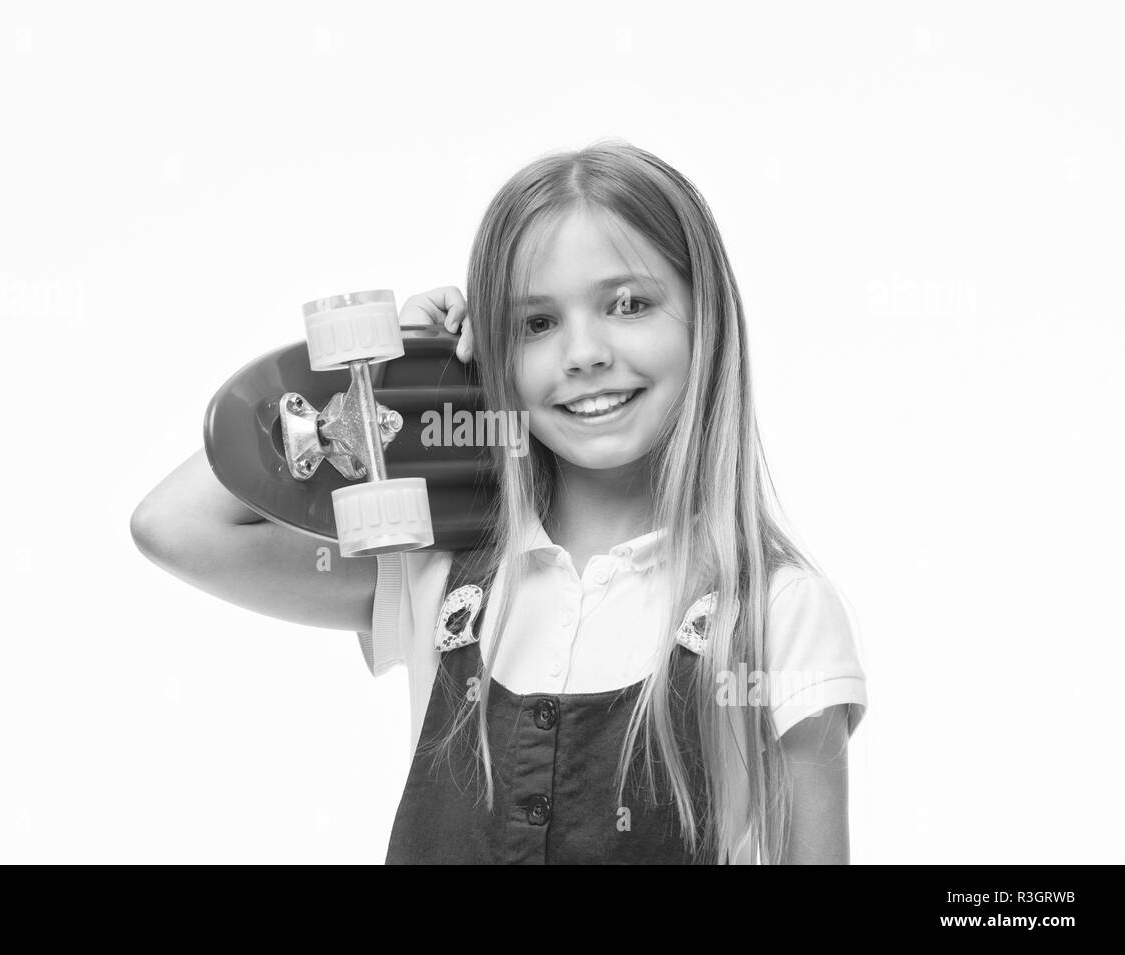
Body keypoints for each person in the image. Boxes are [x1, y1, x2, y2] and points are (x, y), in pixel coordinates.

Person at [131, 139, 869, 864]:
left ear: (706, 319)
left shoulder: (778, 614)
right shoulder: (438, 571)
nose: (584, 353)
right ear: (493, 353)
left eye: (629, 303)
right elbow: (174, 526)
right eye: (536, 323)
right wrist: (390, 368)